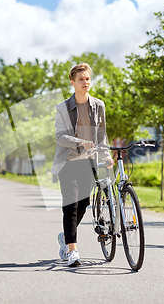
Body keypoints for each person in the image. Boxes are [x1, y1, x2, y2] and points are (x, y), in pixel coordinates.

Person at [51, 63, 114, 267]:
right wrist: (80, 142)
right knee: (71, 205)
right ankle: (73, 250)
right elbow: (60, 137)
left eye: (87, 79)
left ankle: (65, 235)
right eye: (81, 79)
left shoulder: (99, 106)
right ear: (72, 82)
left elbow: (102, 136)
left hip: (88, 162)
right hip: (68, 162)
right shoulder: (63, 108)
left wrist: (106, 155)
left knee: (84, 204)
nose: (85, 82)